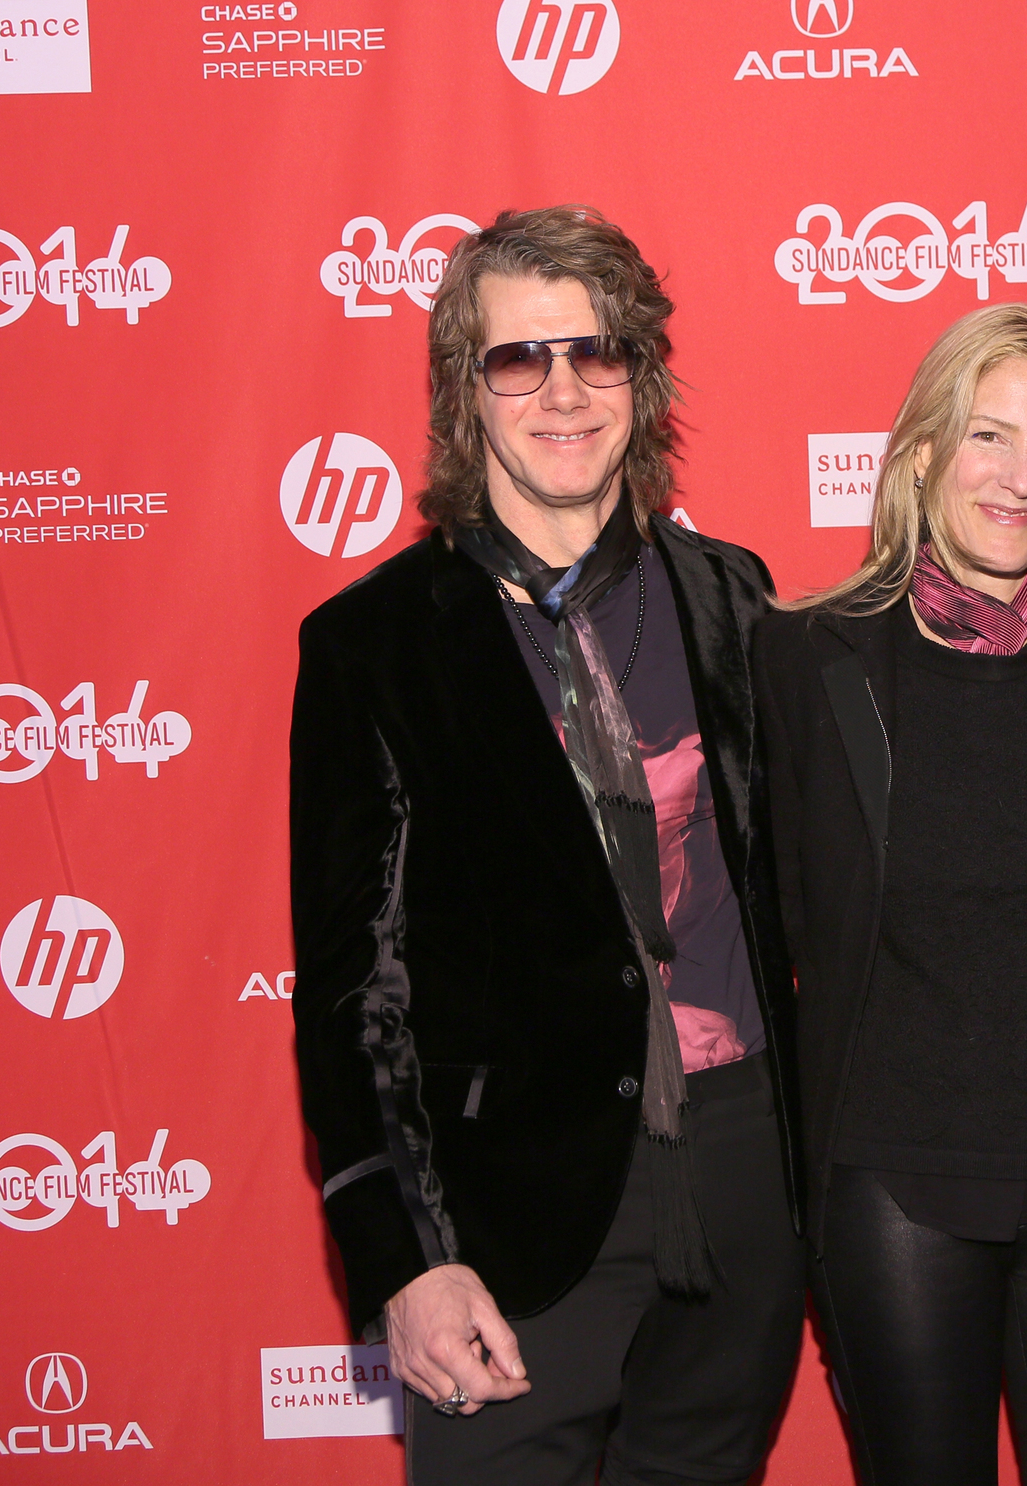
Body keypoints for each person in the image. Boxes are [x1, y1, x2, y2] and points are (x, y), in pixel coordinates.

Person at [289, 206, 804, 1486]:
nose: (562, 390)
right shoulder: (374, 642)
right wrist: (404, 1256)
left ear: (643, 372)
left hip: (745, 1183)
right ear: (466, 393)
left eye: (596, 351)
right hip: (511, 1210)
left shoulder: (734, 595)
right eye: (518, 359)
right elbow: (350, 990)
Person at [754, 303, 1027, 1486]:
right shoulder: (808, 657)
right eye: (990, 435)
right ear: (924, 452)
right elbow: (785, 921)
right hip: (893, 1178)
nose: (1021, 476)